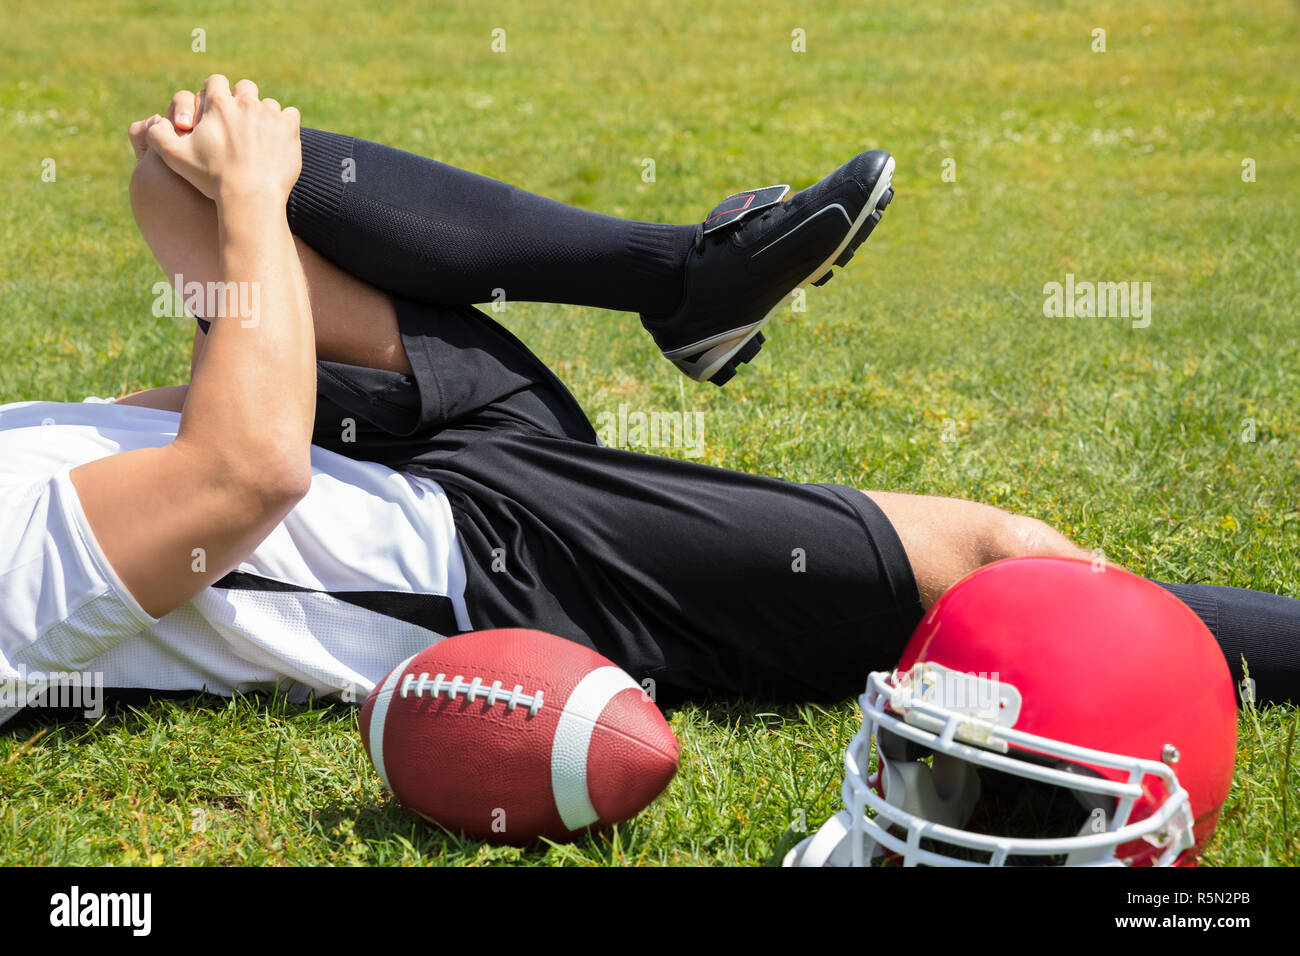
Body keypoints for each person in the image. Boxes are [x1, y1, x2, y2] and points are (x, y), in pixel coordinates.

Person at [1, 76, 1294, 728]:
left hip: (416, 438)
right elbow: (242, 476)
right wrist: (246, 217)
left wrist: (231, 229)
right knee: (995, 561)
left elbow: (155, 433)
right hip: (497, 566)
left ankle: (684, 279)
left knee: (174, 164)